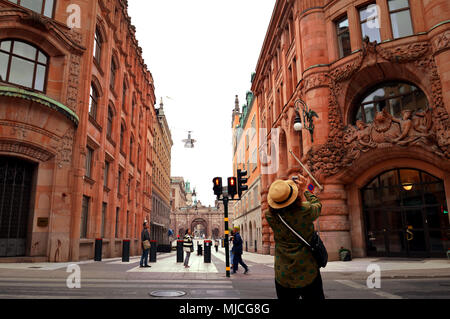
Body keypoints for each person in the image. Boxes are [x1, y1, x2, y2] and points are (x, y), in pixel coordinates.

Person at [266, 175, 325, 300]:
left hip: (283, 273)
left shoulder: (269, 216)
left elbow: (277, 208)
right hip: (308, 271)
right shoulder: (306, 210)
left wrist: (285, 193)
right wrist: (305, 189)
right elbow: (317, 204)